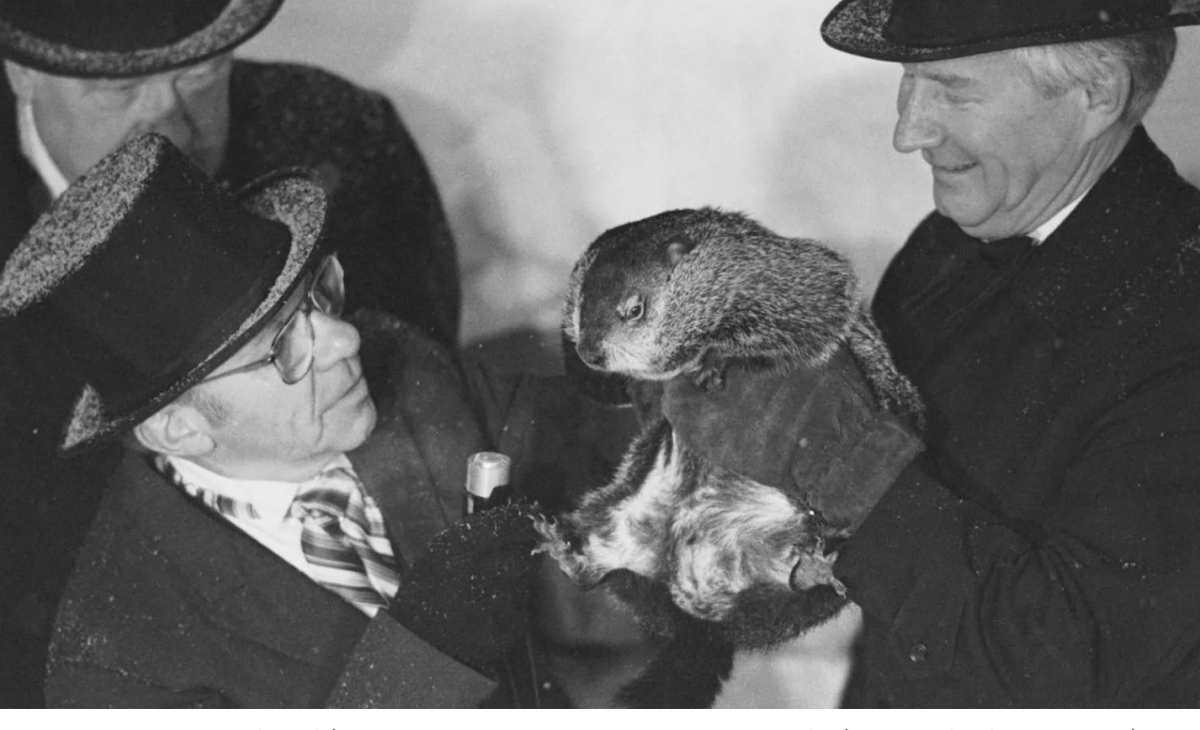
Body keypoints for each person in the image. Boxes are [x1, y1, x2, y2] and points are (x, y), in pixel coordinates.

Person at [660, 0, 1200, 707]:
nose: (907, 131)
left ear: (1098, 94)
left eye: (952, 89)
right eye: (910, 81)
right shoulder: (948, 244)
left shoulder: (1182, 314)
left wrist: (845, 466)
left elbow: (1068, 653)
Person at [0, 132, 633, 708]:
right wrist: (427, 650)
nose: (343, 340)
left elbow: (603, 448)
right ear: (178, 428)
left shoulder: (402, 366)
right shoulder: (116, 662)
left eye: (319, 295)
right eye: (283, 347)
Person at [0, 0, 459, 705]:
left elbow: (427, 394)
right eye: (118, 90)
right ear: (22, 73)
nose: (170, 123)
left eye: (202, 73)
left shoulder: (343, 134)